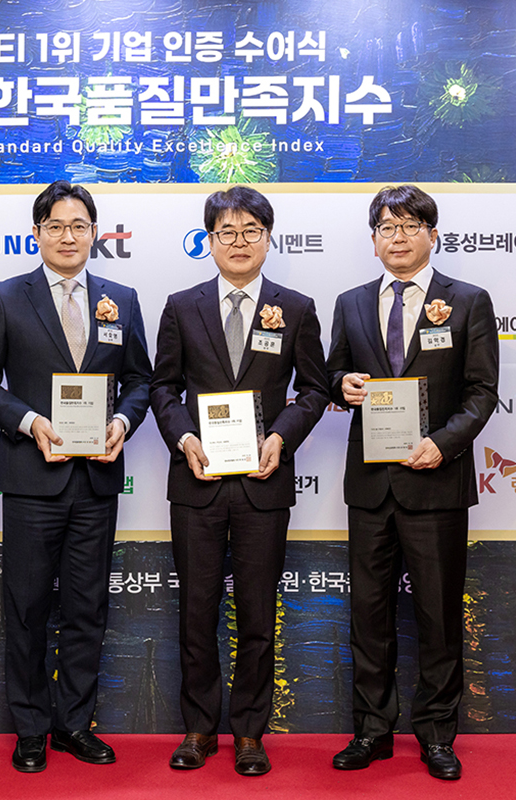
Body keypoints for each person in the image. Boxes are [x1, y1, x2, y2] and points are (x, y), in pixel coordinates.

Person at [0, 180, 152, 773]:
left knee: (87, 608)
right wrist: (28, 422)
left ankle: (74, 724)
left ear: (95, 233)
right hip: (31, 479)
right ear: (37, 233)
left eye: (78, 226)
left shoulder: (122, 299)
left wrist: (123, 421)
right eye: (55, 226)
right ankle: (31, 728)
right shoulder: (5, 297)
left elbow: (141, 380)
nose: (67, 236)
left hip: (96, 480)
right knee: (26, 608)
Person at [148, 186, 328, 776]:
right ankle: (199, 728)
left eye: (251, 230)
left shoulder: (295, 307)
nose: (239, 241)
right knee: (196, 610)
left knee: (257, 613)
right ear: (209, 241)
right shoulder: (182, 306)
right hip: (196, 480)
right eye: (227, 231)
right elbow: (162, 386)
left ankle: (250, 732)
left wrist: (281, 436)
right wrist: (183, 438)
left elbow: (315, 389)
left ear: (268, 239)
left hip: (263, 481)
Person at [326, 184, 499, 781]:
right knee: (368, 614)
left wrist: (443, 444)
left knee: (438, 615)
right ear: (373, 240)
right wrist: (342, 385)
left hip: (436, 483)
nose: (397, 237)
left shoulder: (468, 300)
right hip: (370, 485)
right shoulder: (351, 302)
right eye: (386, 228)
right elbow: (333, 373)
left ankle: (437, 734)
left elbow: (482, 392)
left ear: (432, 234)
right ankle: (372, 731)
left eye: (408, 226)